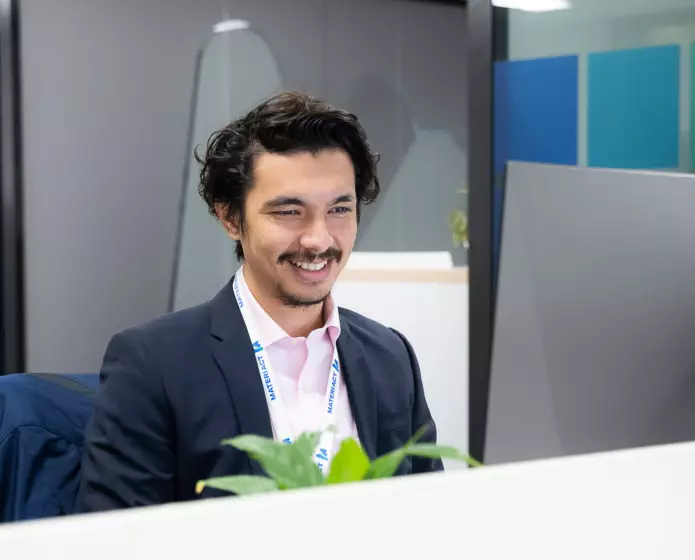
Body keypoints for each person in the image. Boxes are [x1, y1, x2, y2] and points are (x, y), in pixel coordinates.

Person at [75, 91, 442, 512]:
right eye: (289, 212)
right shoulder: (153, 364)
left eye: (340, 209)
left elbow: (427, 515)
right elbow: (118, 542)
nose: (319, 239)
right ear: (231, 218)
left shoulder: (390, 357)